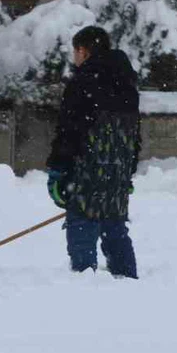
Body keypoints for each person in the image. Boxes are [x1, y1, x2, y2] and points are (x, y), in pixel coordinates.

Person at [46, 26, 142, 278]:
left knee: (82, 226)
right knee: (114, 227)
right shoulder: (127, 85)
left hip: (86, 171)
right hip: (116, 173)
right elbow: (134, 135)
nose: (74, 58)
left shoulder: (82, 82)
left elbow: (68, 132)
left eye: (75, 52)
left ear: (83, 50)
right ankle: (127, 280)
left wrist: (57, 171)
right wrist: (127, 173)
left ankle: (84, 282)